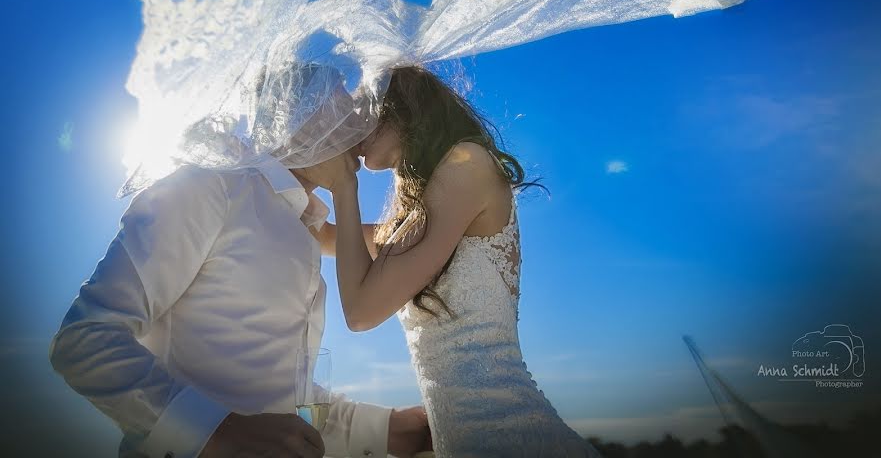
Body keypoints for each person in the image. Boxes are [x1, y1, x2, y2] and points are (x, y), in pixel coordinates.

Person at [48, 62, 432, 458]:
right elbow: (85, 339)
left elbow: (282, 399)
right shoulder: (209, 186)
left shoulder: (304, 228)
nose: (358, 117)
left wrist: (390, 429)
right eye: (339, 101)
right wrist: (214, 430)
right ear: (296, 115)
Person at [298, 65, 602, 457]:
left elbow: (360, 312)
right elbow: (326, 236)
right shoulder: (420, 216)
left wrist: (345, 186)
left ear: (401, 107)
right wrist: (294, 161)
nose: (352, 131)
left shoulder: (467, 164)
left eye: (363, 113)